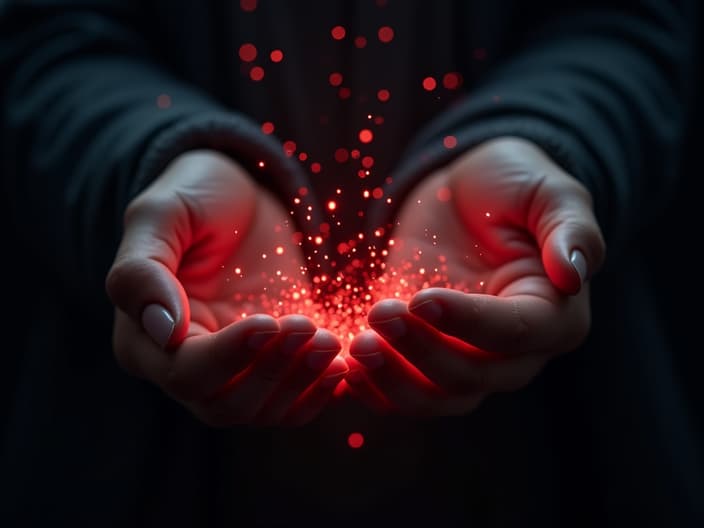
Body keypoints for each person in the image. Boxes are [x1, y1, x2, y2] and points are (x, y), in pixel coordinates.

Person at [1, 1, 702, 526]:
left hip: (557, 450)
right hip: (140, 463)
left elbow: (633, 21)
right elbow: (44, 38)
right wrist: (143, 162)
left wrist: (551, 137)